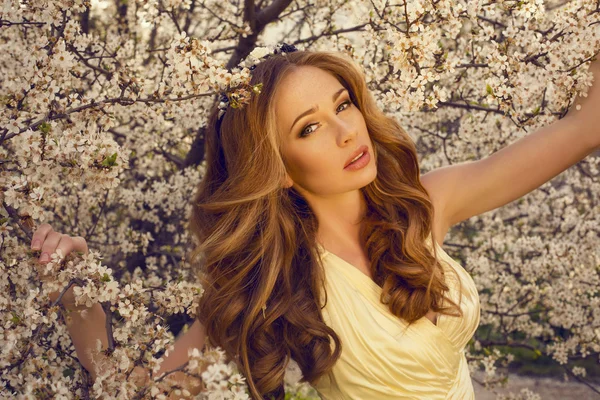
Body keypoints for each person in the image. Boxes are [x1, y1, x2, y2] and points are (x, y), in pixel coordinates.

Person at [31, 44, 600, 400]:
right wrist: (76, 291)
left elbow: (583, 128)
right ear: (276, 169)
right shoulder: (271, 288)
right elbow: (136, 391)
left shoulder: (423, 204)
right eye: (309, 127)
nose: (347, 131)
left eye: (343, 104)